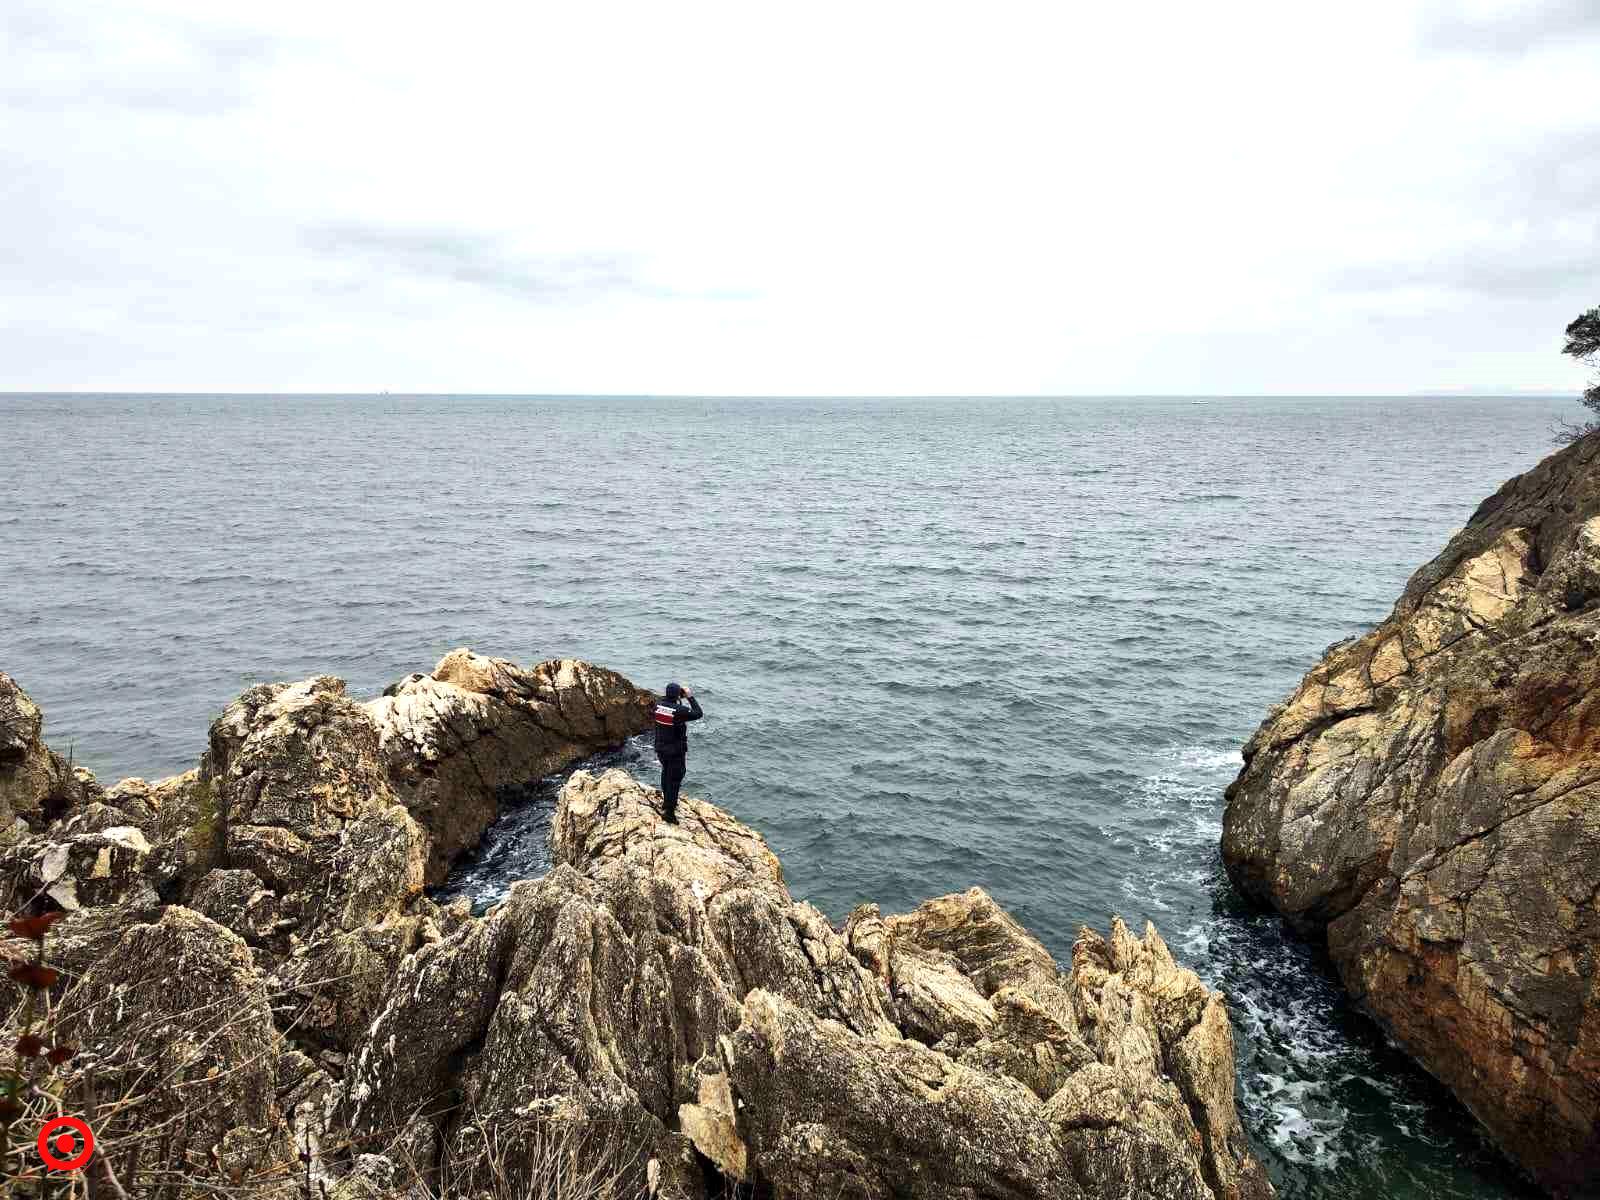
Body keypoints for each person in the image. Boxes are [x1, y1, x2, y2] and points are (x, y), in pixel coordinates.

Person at [652, 681, 702, 823]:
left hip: (660, 748)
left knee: (666, 773)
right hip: (675, 751)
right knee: (674, 779)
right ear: (678, 695)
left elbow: (666, 708)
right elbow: (698, 713)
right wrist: (690, 697)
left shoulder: (657, 706)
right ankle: (669, 813)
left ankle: (666, 802)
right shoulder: (678, 711)